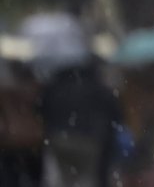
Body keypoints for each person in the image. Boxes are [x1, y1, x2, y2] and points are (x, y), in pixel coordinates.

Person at [40, 59, 122, 187]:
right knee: (87, 179)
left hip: (60, 138)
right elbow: (114, 111)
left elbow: (44, 108)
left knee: (63, 179)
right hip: (89, 139)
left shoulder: (59, 85)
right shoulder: (96, 85)